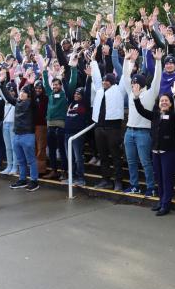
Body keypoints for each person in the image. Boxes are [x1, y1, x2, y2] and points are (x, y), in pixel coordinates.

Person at [133, 82, 175, 216]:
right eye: (162, 101)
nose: (164, 102)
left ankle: (166, 205)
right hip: (156, 152)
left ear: (171, 104)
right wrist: (136, 98)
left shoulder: (173, 116)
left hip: (168, 152)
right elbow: (141, 111)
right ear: (159, 103)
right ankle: (161, 201)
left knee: (167, 179)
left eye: (167, 101)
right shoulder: (155, 115)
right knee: (159, 179)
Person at [121, 47, 163, 195]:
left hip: (143, 133)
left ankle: (151, 187)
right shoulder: (131, 93)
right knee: (131, 162)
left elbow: (157, 79)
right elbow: (125, 76)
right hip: (129, 131)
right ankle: (135, 186)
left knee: (145, 162)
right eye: (132, 84)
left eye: (136, 83)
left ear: (143, 84)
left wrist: (158, 62)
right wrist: (128, 61)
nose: (133, 86)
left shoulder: (150, 94)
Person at [0, 70, 40, 191]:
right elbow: (7, 95)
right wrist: (1, 83)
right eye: (21, 91)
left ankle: (34, 181)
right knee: (21, 160)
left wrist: (30, 85)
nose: (21, 93)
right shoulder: (17, 102)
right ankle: (22, 179)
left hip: (28, 135)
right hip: (17, 135)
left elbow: (34, 96)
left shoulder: (32, 103)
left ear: (28, 95)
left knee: (31, 160)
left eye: (24, 92)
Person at [90, 50, 125, 191]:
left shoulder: (118, 90)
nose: (104, 82)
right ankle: (106, 180)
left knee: (116, 157)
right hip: (99, 128)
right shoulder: (99, 91)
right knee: (103, 156)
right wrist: (93, 61)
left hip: (113, 129)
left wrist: (128, 61)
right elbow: (96, 77)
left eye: (107, 81)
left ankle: (118, 181)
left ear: (112, 82)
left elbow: (124, 78)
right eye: (104, 80)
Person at [43, 52, 78, 180]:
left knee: (62, 151)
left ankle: (64, 171)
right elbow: (46, 83)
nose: (55, 86)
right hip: (50, 126)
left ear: (61, 86)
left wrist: (73, 68)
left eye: (57, 85)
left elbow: (73, 83)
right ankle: (54, 170)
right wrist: (45, 69)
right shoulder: (50, 93)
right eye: (54, 85)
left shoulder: (65, 94)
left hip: (61, 127)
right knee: (51, 151)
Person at [65, 64, 92, 186]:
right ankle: (71, 177)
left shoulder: (84, 104)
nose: (76, 95)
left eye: (79, 94)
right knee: (69, 158)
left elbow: (87, 91)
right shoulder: (71, 102)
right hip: (67, 134)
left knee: (77, 157)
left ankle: (81, 178)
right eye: (76, 93)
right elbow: (66, 89)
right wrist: (62, 78)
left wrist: (89, 78)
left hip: (77, 135)